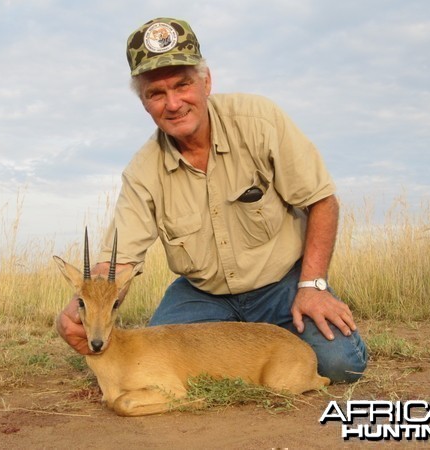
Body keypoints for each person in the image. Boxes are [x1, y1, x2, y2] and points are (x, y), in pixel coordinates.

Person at [56, 17, 367, 383]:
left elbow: (322, 201)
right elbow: (117, 263)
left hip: (282, 285)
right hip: (203, 296)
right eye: (156, 93)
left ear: (206, 82)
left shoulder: (259, 121)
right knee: (148, 370)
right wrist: (84, 304)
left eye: (182, 85)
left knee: (338, 365)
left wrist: (312, 286)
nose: (173, 104)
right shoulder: (142, 173)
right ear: (143, 103)